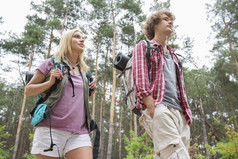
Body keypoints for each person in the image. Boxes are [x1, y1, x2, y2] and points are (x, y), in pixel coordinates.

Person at [25, 28, 96, 159]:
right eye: (77, 36)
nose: (82, 39)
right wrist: (50, 82)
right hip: (50, 129)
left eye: (83, 37)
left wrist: (90, 91)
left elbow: (75, 98)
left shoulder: (85, 71)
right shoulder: (51, 63)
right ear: (67, 41)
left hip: (79, 132)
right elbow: (28, 91)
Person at [132, 10, 192, 159]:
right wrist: (152, 107)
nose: (170, 22)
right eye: (165, 19)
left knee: (166, 154)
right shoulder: (144, 46)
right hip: (160, 107)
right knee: (175, 153)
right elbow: (140, 77)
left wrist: (186, 115)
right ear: (154, 26)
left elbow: (180, 88)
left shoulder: (175, 56)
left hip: (180, 113)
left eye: (171, 20)